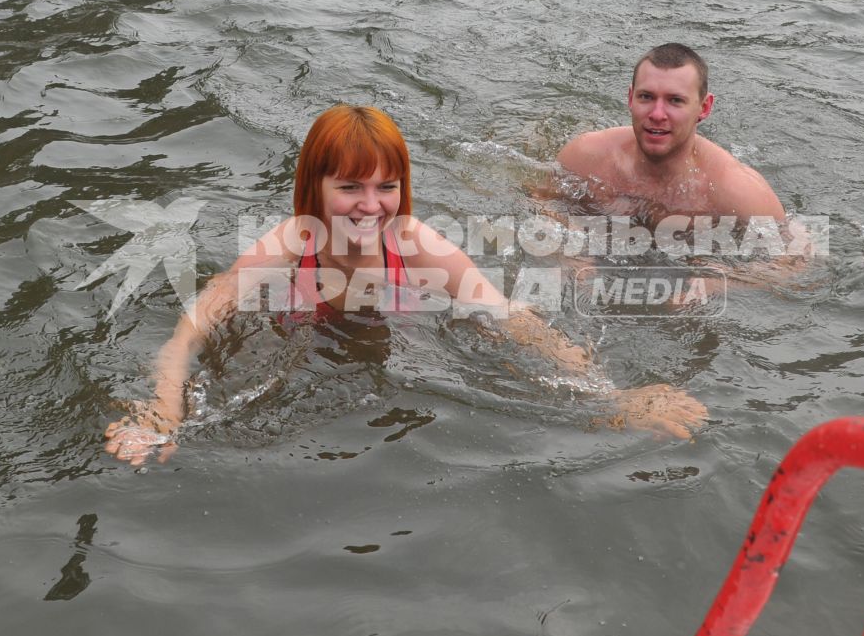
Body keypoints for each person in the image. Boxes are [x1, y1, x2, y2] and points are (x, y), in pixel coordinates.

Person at [104, 104, 708, 463]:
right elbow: (191, 327)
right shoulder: (289, 245)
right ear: (314, 188)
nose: (372, 207)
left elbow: (517, 321)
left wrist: (612, 396)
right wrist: (161, 412)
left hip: (400, 330)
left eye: (386, 187)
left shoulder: (418, 246)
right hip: (304, 327)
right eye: (350, 188)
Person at [556, 43, 785, 226]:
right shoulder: (585, 157)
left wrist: (720, 279)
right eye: (646, 97)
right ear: (630, 98)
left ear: (704, 108)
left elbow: (795, 263)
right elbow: (543, 203)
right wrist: (566, 244)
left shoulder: (737, 192)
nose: (657, 114)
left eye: (675, 100)